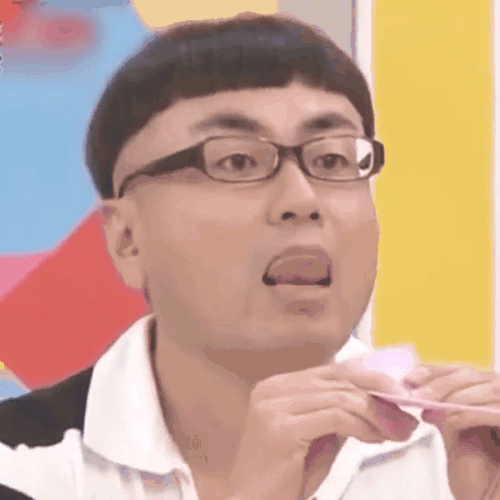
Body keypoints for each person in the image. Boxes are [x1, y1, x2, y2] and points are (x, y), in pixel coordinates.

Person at [1, 11, 500, 500]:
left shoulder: (460, 456)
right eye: (237, 161)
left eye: (332, 159)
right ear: (127, 239)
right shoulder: (20, 465)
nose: (302, 199)